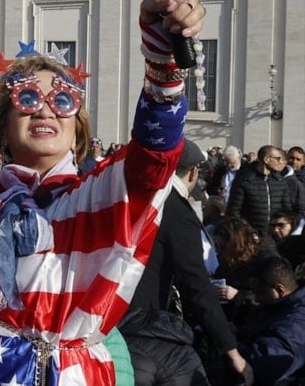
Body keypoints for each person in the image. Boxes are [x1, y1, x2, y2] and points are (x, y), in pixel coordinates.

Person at [0, 0, 214, 383]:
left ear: (77, 131)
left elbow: (154, 154)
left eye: (62, 101)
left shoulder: (101, 196)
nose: (45, 111)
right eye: (27, 99)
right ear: (2, 129)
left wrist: (162, 62)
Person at [119, 138, 249, 385]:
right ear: (193, 172)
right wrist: (230, 350)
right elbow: (196, 285)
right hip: (140, 325)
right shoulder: (177, 212)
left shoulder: (128, 195)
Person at [238, 256, 305, 385]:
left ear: (280, 290)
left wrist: (230, 345)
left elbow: (265, 364)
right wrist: (236, 331)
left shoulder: (296, 322)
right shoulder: (275, 307)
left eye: (260, 293)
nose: (256, 299)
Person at [228, 145, 292, 239]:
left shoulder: (280, 181)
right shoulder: (244, 180)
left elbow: (287, 210)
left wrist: (283, 228)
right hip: (251, 237)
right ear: (267, 159)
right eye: (277, 158)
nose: (280, 162)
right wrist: (244, 233)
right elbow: (233, 212)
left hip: (275, 237)